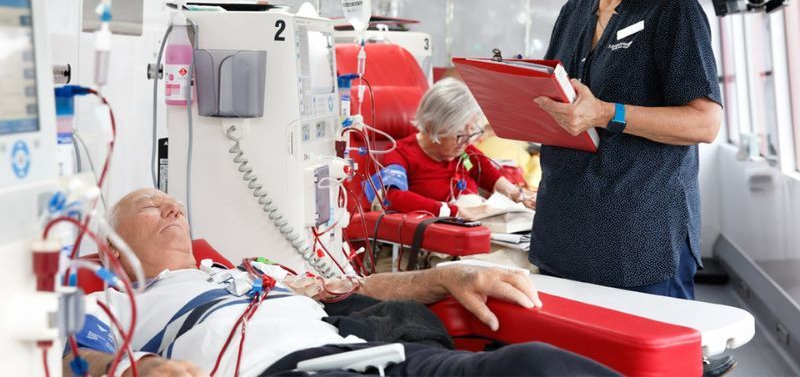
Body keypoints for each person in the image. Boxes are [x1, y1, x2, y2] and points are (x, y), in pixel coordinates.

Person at [63, 188, 616, 376]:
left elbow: (352, 290)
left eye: (173, 203)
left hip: (372, 353)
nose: (169, 204)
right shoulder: (113, 301)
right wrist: (142, 367)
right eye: (147, 204)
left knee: (534, 364)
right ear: (113, 246)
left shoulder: (240, 273)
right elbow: (72, 358)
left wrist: (445, 274)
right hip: (281, 372)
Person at [529, 0, 722, 300]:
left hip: (638, 241)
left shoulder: (671, 8)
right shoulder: (574, 12)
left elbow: (705, 124)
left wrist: (605, 113)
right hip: (563, 232)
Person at [369, 78, 536, 218]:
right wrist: (456, 211)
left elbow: (486, 173)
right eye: (459, 135)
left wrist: (518, 195)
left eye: (471, 132)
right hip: (442, 235)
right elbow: (392, 197)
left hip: (480, 227)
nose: (466, 142)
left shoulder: (464, 153)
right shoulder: (400, 152)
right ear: (432, 126)